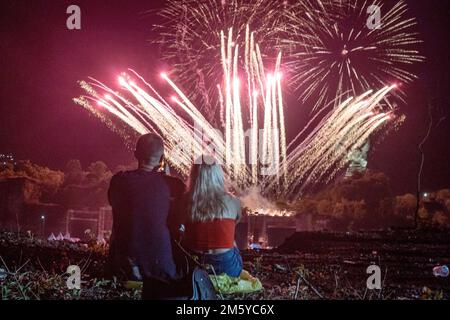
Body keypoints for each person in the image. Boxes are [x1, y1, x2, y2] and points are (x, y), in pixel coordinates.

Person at [107, 133, 186, 299]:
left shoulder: (118, 181)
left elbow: (118, 209)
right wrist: (166, 178)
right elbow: (177, 224)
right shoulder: (175, 186)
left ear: (136, 154)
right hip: (164, 270)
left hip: (123, 266)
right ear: (163, 158)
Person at [182, 155, 243, 277]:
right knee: (230, 237)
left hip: (194, 265)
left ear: (194, 176)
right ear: (219, 175)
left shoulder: (184, 201)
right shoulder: (233, 202)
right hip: (227, 268)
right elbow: (236, 222)